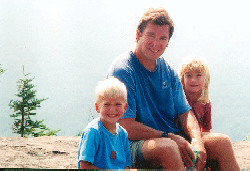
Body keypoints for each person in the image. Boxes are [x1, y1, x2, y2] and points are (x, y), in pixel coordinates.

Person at [107, 7, 240, 170]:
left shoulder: (168, 71)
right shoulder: (123, 70)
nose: (156, 44)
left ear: (168, 42)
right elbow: (125, 125)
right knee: (169, 148)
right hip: (130, 144)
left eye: (163, 38)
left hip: (169, 137)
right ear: (138, 35)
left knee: (222, 142)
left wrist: (197, 141)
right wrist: (168, 136)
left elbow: (185, 112)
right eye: (151, 35)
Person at [77, 78, 131, 169]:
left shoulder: (122, 134)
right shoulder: (93, 132)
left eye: (118, 104)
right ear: (97, 107)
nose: (112, 110)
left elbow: (126, 166)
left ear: (125, 107)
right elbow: (84, 166)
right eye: (107, 104)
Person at [179, 56, 212, 132]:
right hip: (177, 136)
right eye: (189, 76)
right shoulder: (177, 98)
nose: (193, 80)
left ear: (205, 79)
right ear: (182, 80)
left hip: (196, 137)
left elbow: (206, 130)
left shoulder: (205, 102)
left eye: (199, 75)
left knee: (223, 140)